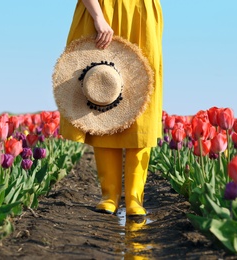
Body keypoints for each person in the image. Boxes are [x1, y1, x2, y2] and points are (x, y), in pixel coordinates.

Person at [59, 0, 163, 216]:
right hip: (101, 9)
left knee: (141, 98)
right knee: (101, 97)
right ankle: (109, 195)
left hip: (142, 13)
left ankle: (135, 197)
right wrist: (98, 16)